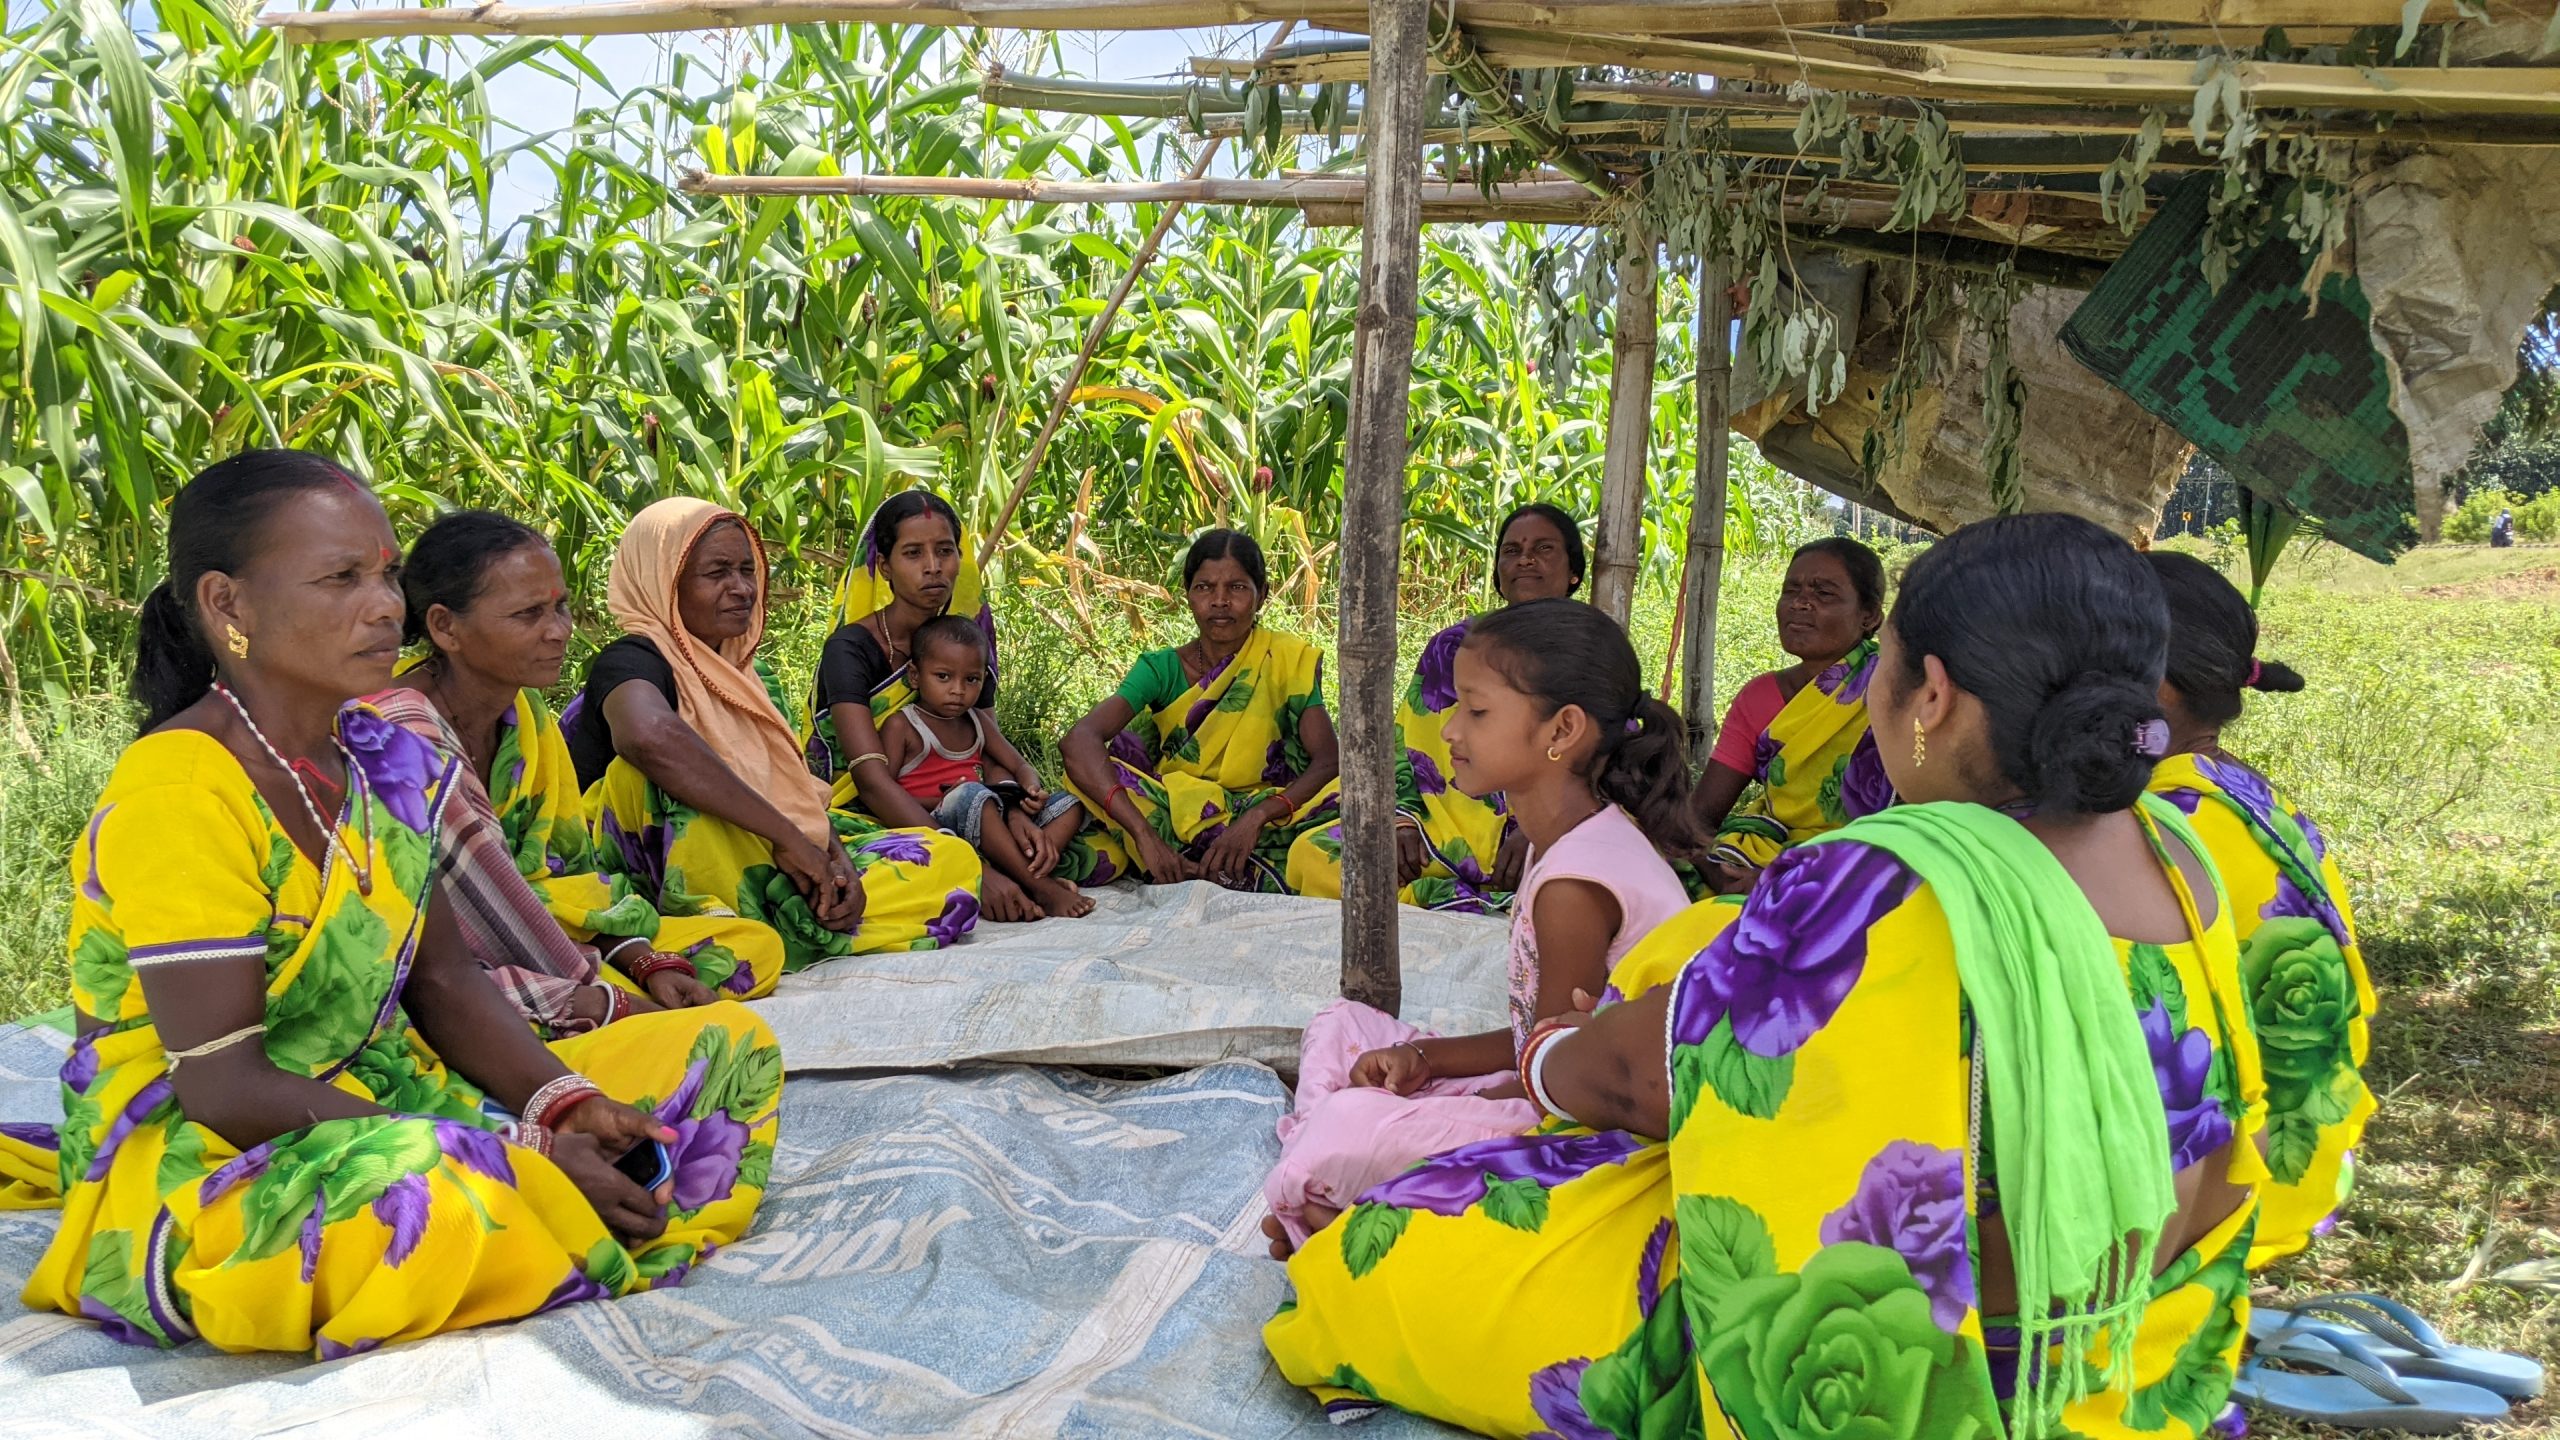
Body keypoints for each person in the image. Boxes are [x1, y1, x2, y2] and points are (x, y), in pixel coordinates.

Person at [1267, 513, 2269, 1440]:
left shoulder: (1877, 880)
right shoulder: (2185, 859)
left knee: (1380, 1255)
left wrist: (1546, 1058)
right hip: (2121, 1357)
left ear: (1931, 696)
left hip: (1912, 1372)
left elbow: (1635, 1081)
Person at [0, 451, 780, 1357]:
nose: (385, 606)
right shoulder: (178, 790)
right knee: (424, 1204)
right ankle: (536, 1207)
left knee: (727, 1048)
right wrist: (510, 1147)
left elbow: (445, 980)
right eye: (341, 578)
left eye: (385, 574)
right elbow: (220, 1084)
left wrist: (559, 1102)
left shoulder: (387, 757)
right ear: (227, 605)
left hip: (388, 1094)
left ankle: (544, 1206)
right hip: (220, 1153)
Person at [1262, 600, 1700, 1253]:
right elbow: (1538, 1038)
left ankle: (1332, 1174)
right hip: (1555, 1079)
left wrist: (1433, 1102)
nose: (1448, 732)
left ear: (1563, 729)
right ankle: (1339, 1182)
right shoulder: (1565, 843)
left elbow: (1556, 1089)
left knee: (1349, 1125)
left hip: (1590, 1135)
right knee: (1343, 1024)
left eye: (1477, 711)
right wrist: (1422, 1060)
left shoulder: (1575, 886)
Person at [396, 511, 790, 1027]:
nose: (558, 632)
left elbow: (567, 874)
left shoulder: (528, 718)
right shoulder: (399, 736)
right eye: (528, 614)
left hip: (551, 935)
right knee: (707, 1041)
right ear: (445, 626)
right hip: (445, 966)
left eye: (560, 608)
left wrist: (641, 959)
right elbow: (440, 924)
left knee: (752, 946)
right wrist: (614, 998)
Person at [564, 498, 982, 970]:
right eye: (717, 572)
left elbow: (789, 782)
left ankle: (781, 919)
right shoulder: (631, 659)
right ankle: (754, 919)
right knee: (650, 779)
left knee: (947, 859)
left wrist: (830, 854)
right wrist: (789, 839)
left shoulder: (749, 675)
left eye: (747, 570)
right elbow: (648, 737)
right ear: (664, 580)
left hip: (762, 846)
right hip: (677, 862)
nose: (742, 588)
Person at [2147, 550, 2373, 1269]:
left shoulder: (2165, 827)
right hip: (2313, 1157)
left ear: (2154, 684)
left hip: (2241, 1204)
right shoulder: (2240, 794)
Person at [807, 489, 1120, 922]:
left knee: (1100, 846)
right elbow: (872, 781)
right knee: (873, 878)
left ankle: (1010, 864)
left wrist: (1011, 812)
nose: (933, 567)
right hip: (874, 812)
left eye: (945, 551)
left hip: (974, 804)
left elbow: (985, 745)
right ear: (884, 566)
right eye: (913, 553)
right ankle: (1024, 880)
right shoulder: (851, 650)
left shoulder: (965, 643)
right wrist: (976, 865)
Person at [1284, 502, 1587, 912]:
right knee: (1314, 853)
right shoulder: (1455, 647)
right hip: (1444, 823)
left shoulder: (1593, 650)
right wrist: (1403, 819)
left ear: (1574, 570)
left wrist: (1541, 830)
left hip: (1552, 828)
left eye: (1545, 549)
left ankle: (1448, 901)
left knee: (1587, 875)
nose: (1526, 559)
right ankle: (1451, 899)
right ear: (1498, 571)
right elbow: (1407, 745)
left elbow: (1614, 756)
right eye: (1512, 551)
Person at [1060, 529, 1342, 893]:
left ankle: (1201, 862)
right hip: (1180, 815)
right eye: (1205, 587)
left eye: (1237, 588)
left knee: (1355, 797)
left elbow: (1329, 761)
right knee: (1102, 775)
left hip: (1271, 815)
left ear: (1262, 596)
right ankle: (1173, 854)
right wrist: (1145, 834)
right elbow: (1079, 740)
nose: (1220, 601)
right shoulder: (1160, 669)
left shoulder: (1286, 659)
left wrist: (1258, 815)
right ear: (1188, 594)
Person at [1692, 536, 1895, 892]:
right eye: (1791, 590)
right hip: (1759, 865)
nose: (1801, 603)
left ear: (1871, 615)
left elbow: (1908, 822)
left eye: (1824, 593)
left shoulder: (1895, 690)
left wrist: (1787, 882)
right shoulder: (1759, 698)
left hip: (1861, 876)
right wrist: (1725, 875)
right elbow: (1700, 819)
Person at [878, 615, 1093, 920]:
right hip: (936, 822)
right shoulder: (903, 725)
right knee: (972, 795)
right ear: (915, 675)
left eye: (971, 679)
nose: (958, 690)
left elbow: (1018, 764)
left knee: (1069, 805)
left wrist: (1029, 789)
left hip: (988, 813)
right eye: (943, 677)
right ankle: (1042, 887)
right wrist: (944, 798)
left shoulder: (978, 722)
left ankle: (1019, 874)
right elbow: (884, 794)